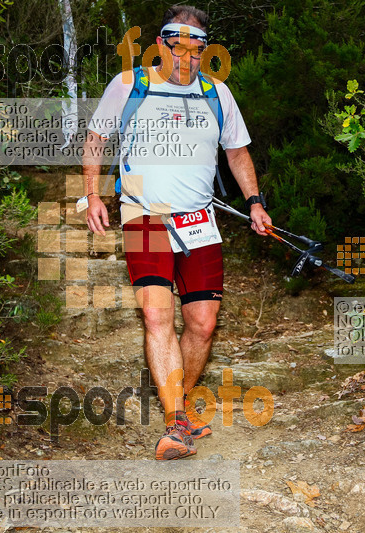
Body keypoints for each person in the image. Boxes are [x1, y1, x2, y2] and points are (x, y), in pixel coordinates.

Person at [82, 5, 271, 460]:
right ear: (163, 44)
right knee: (156, 317)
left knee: (203, 325)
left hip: (199, 219)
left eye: (197, 48)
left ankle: (179, 409)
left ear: (205, 50)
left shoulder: (217, 93)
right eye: (179, 46)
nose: (187, 56)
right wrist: (92, 195)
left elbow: (238, 154)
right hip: (143, 214)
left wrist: (255, 203)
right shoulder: (131, 85)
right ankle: (173, 426)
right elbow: (96, 138)